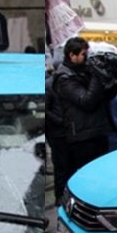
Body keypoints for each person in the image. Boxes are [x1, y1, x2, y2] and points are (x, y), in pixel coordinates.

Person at [53, 37, 116, 180]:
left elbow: (106, 95)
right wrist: (96, 74)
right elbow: (87, 101)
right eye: (83, 54)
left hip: (98, 130)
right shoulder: (64, 78)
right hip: (82, 136)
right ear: (72, 55)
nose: (86, 58)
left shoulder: (85, 70)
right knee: (90, 177)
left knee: (103, 174)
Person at [45, 61, 68, 206]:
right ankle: (59, 197)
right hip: (58, 133)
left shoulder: (66, 83)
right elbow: (46, 110)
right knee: (60, 167)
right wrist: (60, 121)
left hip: (69, 132)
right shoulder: (50, 85)